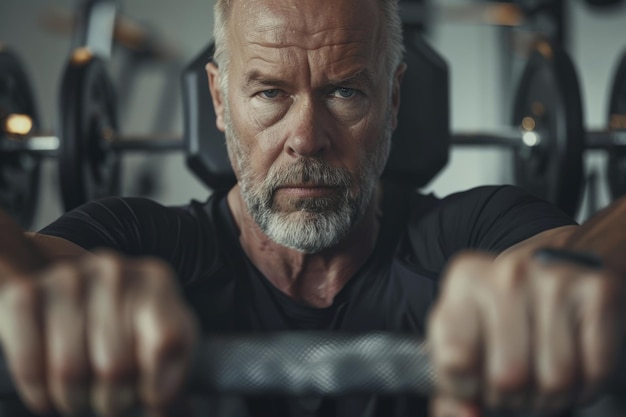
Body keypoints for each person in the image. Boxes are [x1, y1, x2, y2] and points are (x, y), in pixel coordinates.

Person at [0, 0, 625, 416]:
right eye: (270, 93)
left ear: (395, 98)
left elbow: (586, 251)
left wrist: (577, 285)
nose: (306, 137)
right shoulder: (136, 239)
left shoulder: (472, 234)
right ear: (220, 100)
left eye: (345, 90)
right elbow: (29, 264)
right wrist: (31, 299)